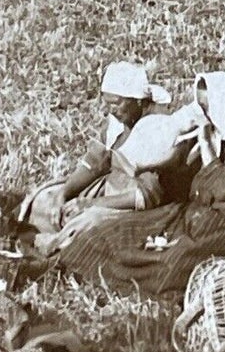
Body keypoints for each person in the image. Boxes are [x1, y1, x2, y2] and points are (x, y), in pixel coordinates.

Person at [51, 70, 225, 300]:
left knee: (168, 264)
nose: (205, 114)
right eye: (202, 107)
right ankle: (74, 264)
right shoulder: (217, 136)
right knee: (114, 232)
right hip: (194, 216)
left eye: (209, 107)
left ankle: (128, 287)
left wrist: (205, 143)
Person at [18, 61, 175, 249]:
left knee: (86, 224)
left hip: (134, 206)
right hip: (110, 187)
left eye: (116, 103)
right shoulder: (121, 120)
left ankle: (48, 250)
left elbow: (147, 196)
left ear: (138, 100)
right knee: (46, 201)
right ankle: (36, 238)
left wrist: (90, 204)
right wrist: (64, 192)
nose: (111, 110)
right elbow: (96, 161)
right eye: (108, 104)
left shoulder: (158, 128)